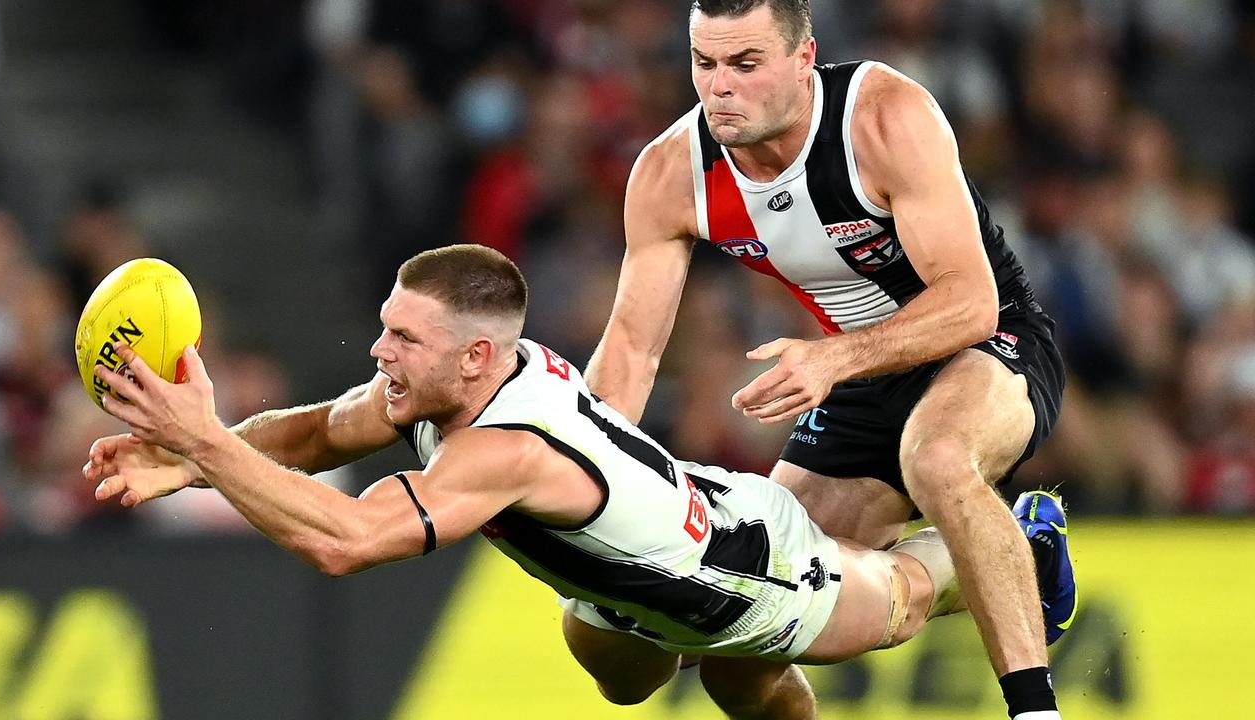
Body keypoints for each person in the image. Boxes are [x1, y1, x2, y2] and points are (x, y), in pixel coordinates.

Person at [90, 244, 988, 720]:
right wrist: (183, 459)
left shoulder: (508, 448)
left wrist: (206, 441)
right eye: (384, 328)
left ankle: (1006, 538)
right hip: (635, 582)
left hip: (741, 568)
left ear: (477, 356)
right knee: (638, 677)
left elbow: (345, 540)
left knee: (898, 601)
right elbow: (321, 431)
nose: (379, 353)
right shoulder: (450, 383)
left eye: (402, 339)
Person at [583, 2, 1074, 719]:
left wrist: (833, 360)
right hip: (856, 376)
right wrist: (582, 472)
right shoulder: (670, 173)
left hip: (987, 344)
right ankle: (1020, 552)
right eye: (704, 63)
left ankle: (1034, 711)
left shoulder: (883, 116)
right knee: (745, 634)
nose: (719, 88)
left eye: (745, 65)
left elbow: (971, 300)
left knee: (937, 457)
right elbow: (630, 350)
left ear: (804, 59)